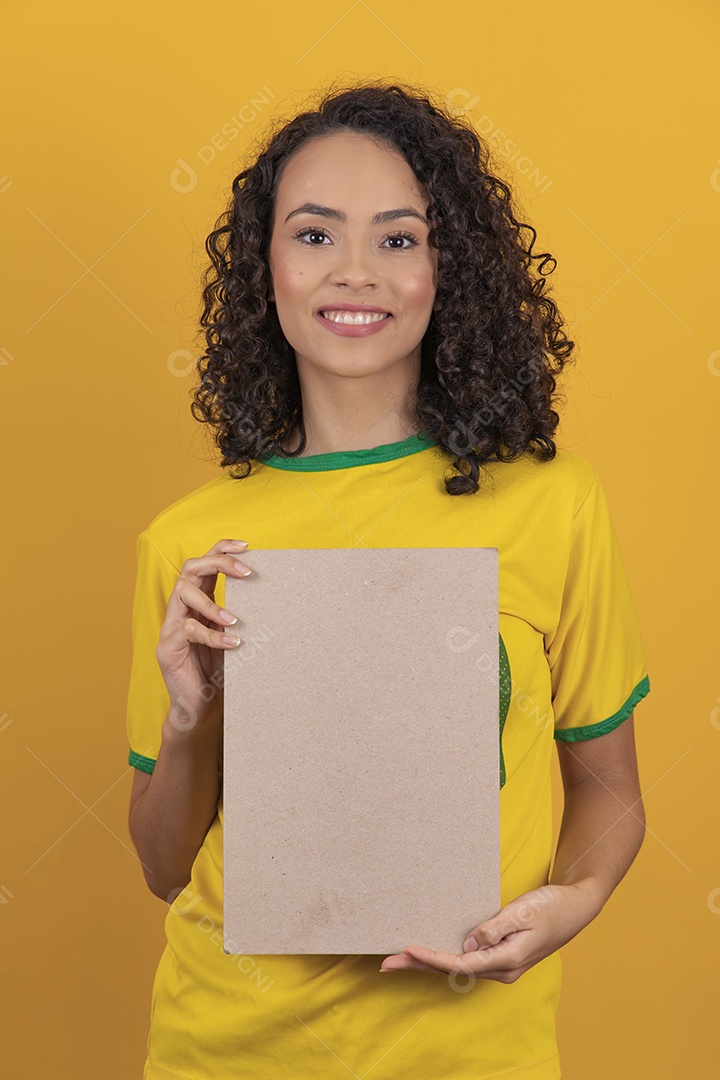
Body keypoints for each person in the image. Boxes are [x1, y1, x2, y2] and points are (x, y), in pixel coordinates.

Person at [126, 80, 651, 1079]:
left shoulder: (553, 505)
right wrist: (190, 717)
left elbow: (609, 791)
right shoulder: (188, 543)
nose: (354, 272)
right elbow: (162, 866)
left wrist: (576, 901)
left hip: (471, 1051)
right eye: (315, 235)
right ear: (265, 267)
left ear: (447, 269)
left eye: (400, 238)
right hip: (226, 1050)